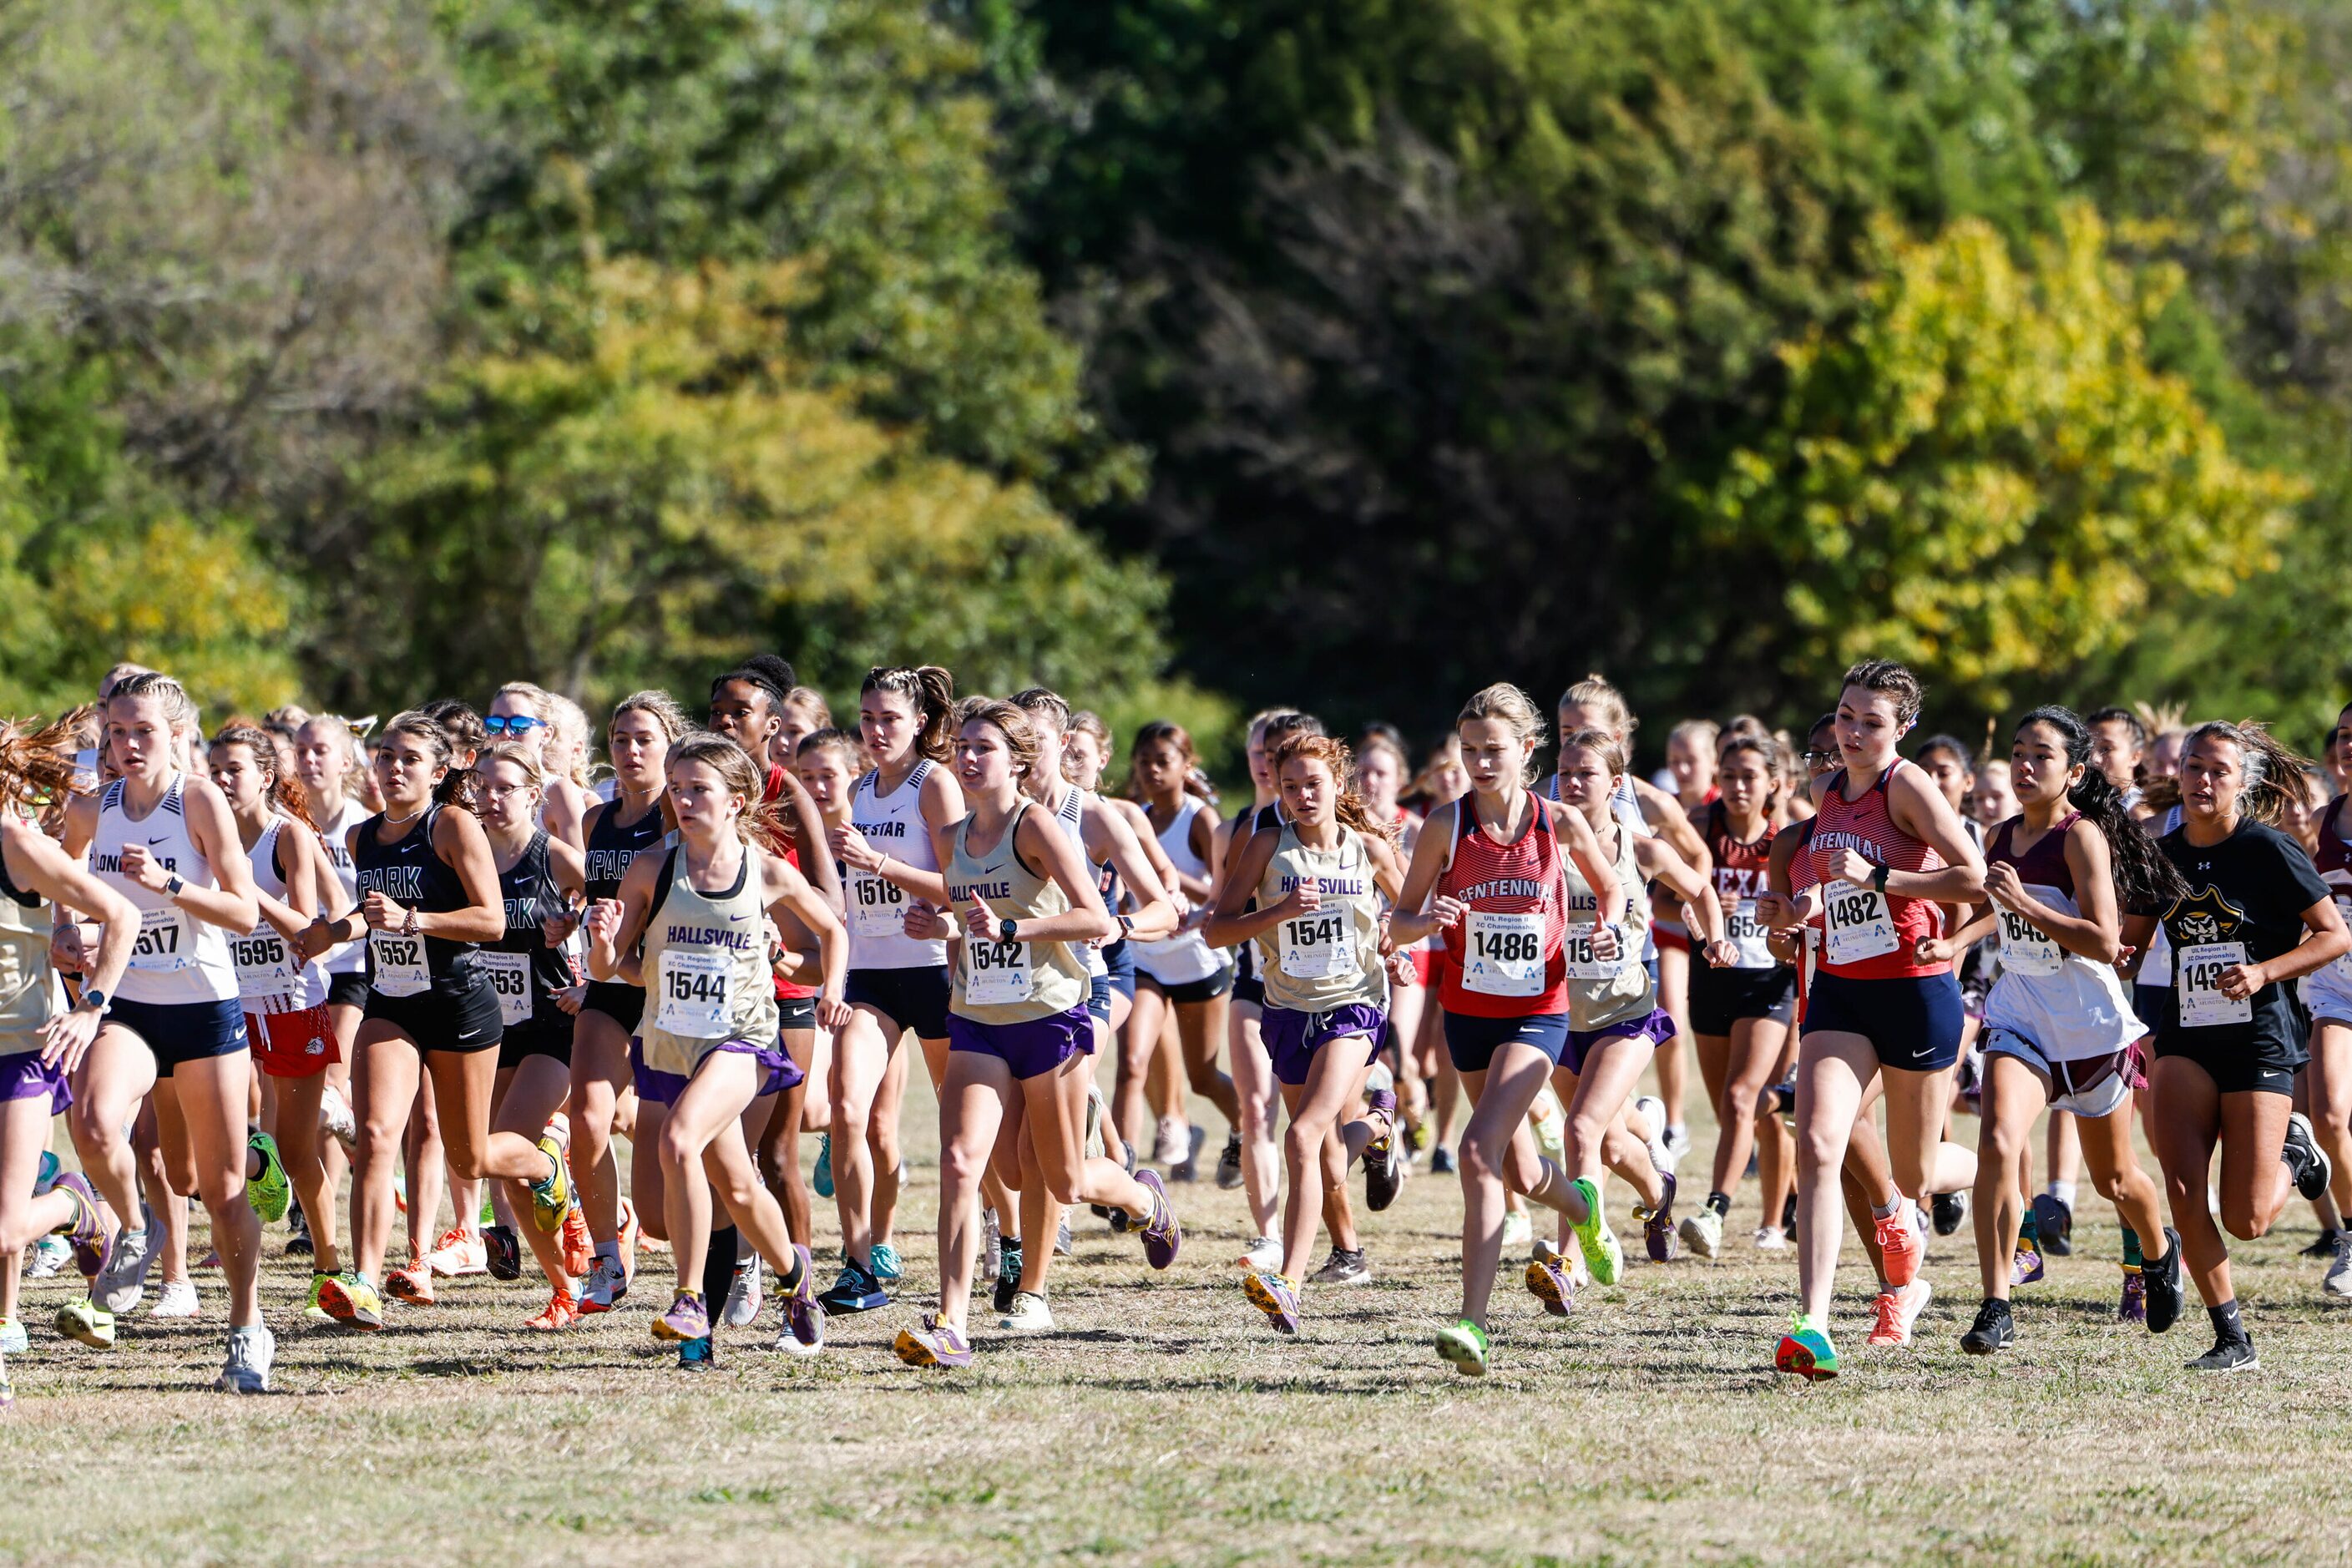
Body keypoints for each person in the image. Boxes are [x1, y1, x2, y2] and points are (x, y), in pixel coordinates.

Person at [893, 700, 1180, 1368]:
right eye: (961, 746)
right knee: (967, 1164)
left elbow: (1093, 919)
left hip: (1050, 1015)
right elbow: (971, 914)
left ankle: (1142, 1199)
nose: (966, 757)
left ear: (1017, 761)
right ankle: (951, 1323)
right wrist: (947, 927)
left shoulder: (1038, 825)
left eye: (982, 748)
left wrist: (1014, 932)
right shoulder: (954, 834)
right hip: (978, 1018)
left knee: (1061, 1180)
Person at [296, 712, 569, 1332]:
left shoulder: (452, 824)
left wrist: (414, 919)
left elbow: (491, 920)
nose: (393, 767)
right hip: (390, 1002)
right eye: (386, 755)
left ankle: (543, 1163)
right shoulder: (364, 836)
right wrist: (330, 933)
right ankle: (363, 1282)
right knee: (374, 1133)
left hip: (459, 1002)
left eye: (410, 759)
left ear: (439, 772)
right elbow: (370, 916)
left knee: (469, 1158)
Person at [1383, 685, 1626, 1374]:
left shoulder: (1559, 822)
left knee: (1475, 1151)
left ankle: (1472, 1323)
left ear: (1526, 750)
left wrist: (1603, 930)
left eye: (1494, 750)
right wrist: (1427, 924)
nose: (1480, 763)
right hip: (1466, 1012)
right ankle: (1580, 1201)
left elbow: (1609, 890)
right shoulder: (1444, 825)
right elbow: (1399, 919)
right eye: (1469, 751)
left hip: (1537, 1010)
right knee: (1519, 1168)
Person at [55, 673, 280, 1388]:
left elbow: (245, 913)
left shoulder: (199, 801)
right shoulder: (93, 808)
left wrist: (169, 885)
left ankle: (247, 1328)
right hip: (127, 1002)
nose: (126, 747)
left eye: (142, 732)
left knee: (217, 1191)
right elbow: (56, 882)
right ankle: (136, 1228)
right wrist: (67, 934)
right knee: (92, 1123)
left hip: (204, 1006)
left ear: (177, 734)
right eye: (117, 733)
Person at [583, 733, 838, 1356]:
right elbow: (615, 967)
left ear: (737, 800)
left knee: (677, 1141)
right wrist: (601, 937)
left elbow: (833, 927)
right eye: (678, 789)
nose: (685, 800)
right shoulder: (652, 866)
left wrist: (832, 986)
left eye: (700, 789)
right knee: (738, 1186)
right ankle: (796, 1279)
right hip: (670, 1040)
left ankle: (691, 1299)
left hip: (741, 1038)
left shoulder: (767, 871)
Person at [1766, 660, 1986, 1381]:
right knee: (1818, 1140)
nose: (1852, 732)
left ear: (1901, 729)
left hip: (1915, 991)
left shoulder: (1908, 786)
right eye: (1844, 716)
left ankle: (1986, 1173)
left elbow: (1973, 876)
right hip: (1840, 988)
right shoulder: (1826, 789)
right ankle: (1814, 1324)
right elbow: (1823, 888)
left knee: (1917, 1169)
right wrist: (1793, 913)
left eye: (1871, 722)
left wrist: (1882, 879)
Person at [1936, 708, 2181, 1353]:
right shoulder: (1997, 835)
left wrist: (2024, 905)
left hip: (2089, 1026)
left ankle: (2158, 1252)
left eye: (2039, 755)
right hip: (2019, 1014)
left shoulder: (2081, 838)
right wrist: (1954, 943)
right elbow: (1996, 915)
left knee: (2116, 1180)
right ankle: (1995, 1304)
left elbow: (2103, 941)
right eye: (2017, 752)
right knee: (1995, 1139)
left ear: (2072, 772)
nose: (2022, 765)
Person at [2141, 721, 2347, 1370]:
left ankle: (2294, 1147)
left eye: (2218, 770)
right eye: (2193, 767)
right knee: (2180, 1186)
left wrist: (2262, 972)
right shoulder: (2161, 852)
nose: (2202, 780)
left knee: (2248, 1218)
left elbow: (2332, 936)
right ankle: (2230, 1336)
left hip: (2258, 1034)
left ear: (2243, 782)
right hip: (2185, 1033)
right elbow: (2126, 936)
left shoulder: (2268, 850)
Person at [1208, 731, 1405, 1338]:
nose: (1300, 796)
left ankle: (1286, 1283)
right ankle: (1376, 1126)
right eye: (1288, 786)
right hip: (1288, 1010)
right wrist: (1277, 914)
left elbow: (1411, 907)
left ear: (1337, 785)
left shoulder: (1367, 848)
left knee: (1301, 1134)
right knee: (1322, 1153)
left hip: (1355, 1006)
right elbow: (1217, 929)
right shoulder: (1266, 844)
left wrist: (1397, 942)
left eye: (1312, 784)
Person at [999, 687, 1179, 1328]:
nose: (1023, 758)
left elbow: (1165, 905)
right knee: (1017, 1168)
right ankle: (1140, 1198)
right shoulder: (989, 815)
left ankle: (1032, 1294)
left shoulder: (1092, 815)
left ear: (1062, 745)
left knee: (1034, 1156)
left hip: (1080, 991)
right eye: (1013, 745)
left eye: (1037, 744)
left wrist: (1121, 926)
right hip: (1001, 999)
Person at [0, 711, 137, 1408]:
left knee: (2, 1225)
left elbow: (122, 914)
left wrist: (92, 1006)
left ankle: (74, 1205)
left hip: (20, 1055)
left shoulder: (18, 847)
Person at [822, 665, 964, 1315]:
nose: (876, 731)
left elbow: (965, 886)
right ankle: (858, 1266)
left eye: (889, 719)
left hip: (934, 970)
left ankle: (1008, 1238)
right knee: (848, 1111)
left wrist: (881, 863)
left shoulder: (933, 785)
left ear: (920, 724)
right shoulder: (855, 791)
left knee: (962, 1130)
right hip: (871, 977)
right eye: (868, 718)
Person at [210, 725, 346, 1320]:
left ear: (264, 776)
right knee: (220, 1129)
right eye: (213, 769)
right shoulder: (203, 835)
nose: (220, 780)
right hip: (228, 1001)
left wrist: (242, 889)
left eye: (232, 770)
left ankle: (329, 1263)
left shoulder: (285, 837)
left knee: (296, 1151)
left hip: (293, 1003)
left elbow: (307, 929)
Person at [573, 691, 688, 1315]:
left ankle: (740, 1253)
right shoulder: (595, 821)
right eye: (620, 739)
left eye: (644, 739)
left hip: (669, 995)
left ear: (669, 746)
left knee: (662, 1197)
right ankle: (606, 1258)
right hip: (608, 987)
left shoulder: (682, 815)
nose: (630, 750)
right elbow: (593, 900)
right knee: (588, 1120)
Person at [471, 742, 592, 1328]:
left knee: (503, 1145)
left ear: (531, 795)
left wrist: (588, 972)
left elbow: (618, 915)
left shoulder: (556, 858)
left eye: (504, 789)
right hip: (486, 1029)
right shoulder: (462, 855)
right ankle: (564, 1291)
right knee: (504, 1170)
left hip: (550, 1025)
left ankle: (554, 1170)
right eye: (481, 788)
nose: (490, 799)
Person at [1682, 734, 1798, 1259]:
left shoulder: (1786, 839)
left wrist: (1777, 916)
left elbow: (1806, 910)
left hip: (1770, 982)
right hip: (1711, 978)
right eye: (1728, 776)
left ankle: (1731, 1214)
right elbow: (1662, 903)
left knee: (1744, 1096)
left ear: (1773, 783)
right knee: (1734, 1108)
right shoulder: (1702, 828)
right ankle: (1774, 1206)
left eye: (1749, 776)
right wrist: (1697, 915)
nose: (1737, 787)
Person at [1123, 721, 1238, 1184]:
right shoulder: (1135, 816)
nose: (1151, 769)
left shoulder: (1200, 819)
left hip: (1197, 958)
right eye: (1144, 761)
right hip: (1147, 956)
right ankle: (1125, 1166)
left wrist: (1163, 871)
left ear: (1186, 766)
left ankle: (1245, 1130)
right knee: (1133, 1058)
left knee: (1203, 1077)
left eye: (1162, 761)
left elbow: (1224, 891)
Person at [2304, 701, 2352, 1295]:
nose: (2349, 747)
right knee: (2331, 1117)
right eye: (2343, 736)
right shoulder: (2320, 822)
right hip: (2335, 988)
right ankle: (2350, 1236)